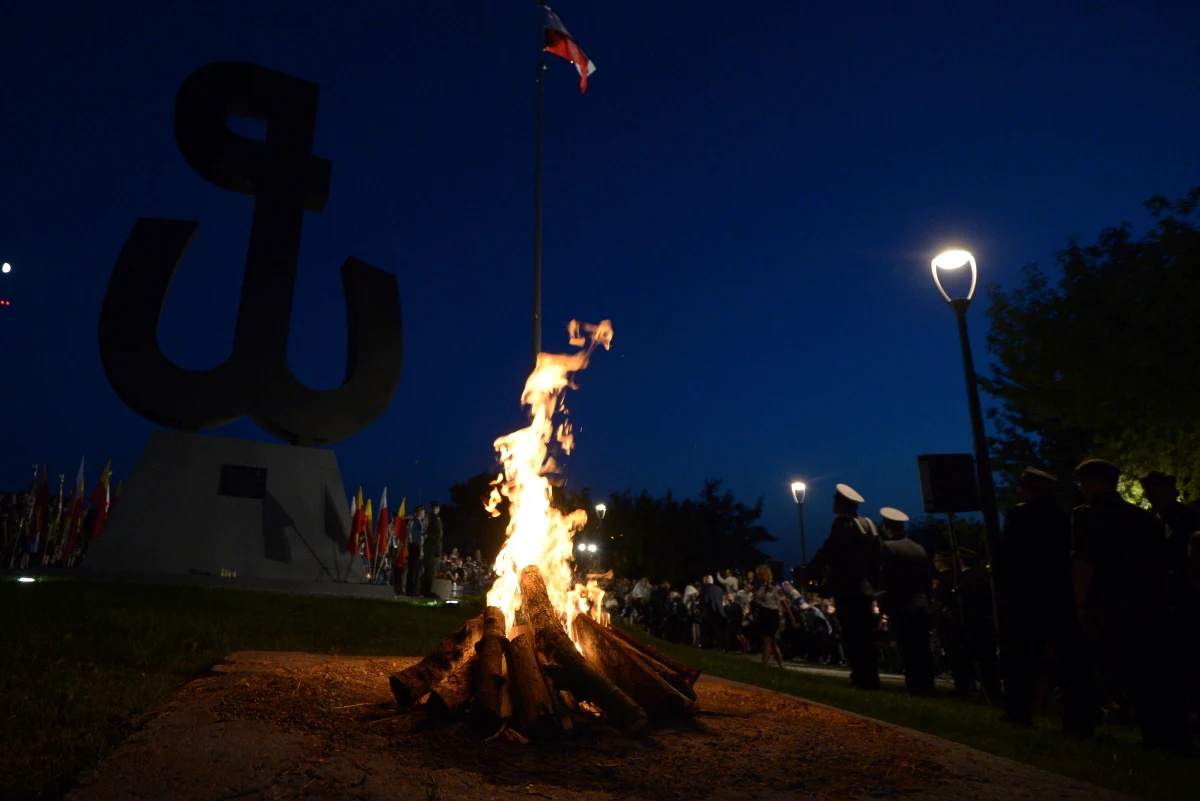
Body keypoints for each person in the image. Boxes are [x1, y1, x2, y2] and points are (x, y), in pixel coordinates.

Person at [1072, 459, 1189, 752]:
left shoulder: (1086, 516)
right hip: (1145, 603)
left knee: (1100, 665)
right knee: (1148, 670)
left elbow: (1084, 562)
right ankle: (1162, 734)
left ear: (1091, 482)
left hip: (1106, 601)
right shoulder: (1144, 518)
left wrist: (1079, 603)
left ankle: (1088, 723)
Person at [994, 468, 1094, 732]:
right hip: (1059, 595)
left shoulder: (1019, 515)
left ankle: (1019, 712)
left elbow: (1008, 557)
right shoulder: (1063, 517)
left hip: (1026, 597)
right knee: (1070, 659)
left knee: (1022, 658)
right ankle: (1079, 719)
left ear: (1030, 489)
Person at [807, 484, 882, 690]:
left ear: (841, 505)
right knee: (866, 634)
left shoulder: (842, 524)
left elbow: (830, 549)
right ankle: (870, 675)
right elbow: (878, 557)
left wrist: (812, 572)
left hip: (848, 586)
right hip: (866, 588)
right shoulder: (869, 525)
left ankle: (860, 676)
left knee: (852, 633)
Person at [877, 507, 936, 695]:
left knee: (907, 649)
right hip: (921, 604)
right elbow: (927, 579)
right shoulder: (919, 548)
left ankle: (915, 687)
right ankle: (928, 685)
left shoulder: (888, 548)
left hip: (902, 604)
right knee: (922, 648)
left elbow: (887, 579)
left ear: (887, 527)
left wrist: (883, 603)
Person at [752, 564, 791, 668]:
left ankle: (763, 665)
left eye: (761, 574)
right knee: (772, 643)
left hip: (772, 615)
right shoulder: (760, 587)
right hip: (763, 614)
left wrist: (792, 618)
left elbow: (784, 603)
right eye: (758, 575)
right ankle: (781, 665)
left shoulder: (775, 587)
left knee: (767, 640)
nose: (759, 576)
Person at [422, 501, 444, 596]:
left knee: (428, 569)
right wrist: (438, 550)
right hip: (433, 548)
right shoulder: (435, 518)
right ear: (436, 508)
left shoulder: (427, 517)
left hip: (427, 547)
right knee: (431, 570)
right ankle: (427, 591)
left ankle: (424, 590)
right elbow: (439, 534)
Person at [699, 575, 726, 648]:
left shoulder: (705, 589)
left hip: (709, 612)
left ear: (707, 580)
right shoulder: (719, 589)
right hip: (719, 612)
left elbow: (704, 601)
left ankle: (707, 644)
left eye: (704, 580)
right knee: (718, 630)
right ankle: (719, 645)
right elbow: (723, 600)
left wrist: (699, 608)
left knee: (707, 630)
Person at [406, 505, 426, 596]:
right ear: (420, 512)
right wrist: (421, 550)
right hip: (416, 547)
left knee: (411, 570)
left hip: (411, 547)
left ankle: (409, 590)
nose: (424, 513)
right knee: (416, 570)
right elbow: (419, 538)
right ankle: (414, 591)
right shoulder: (418, 523)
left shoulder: (411, 522)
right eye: (423, 511)